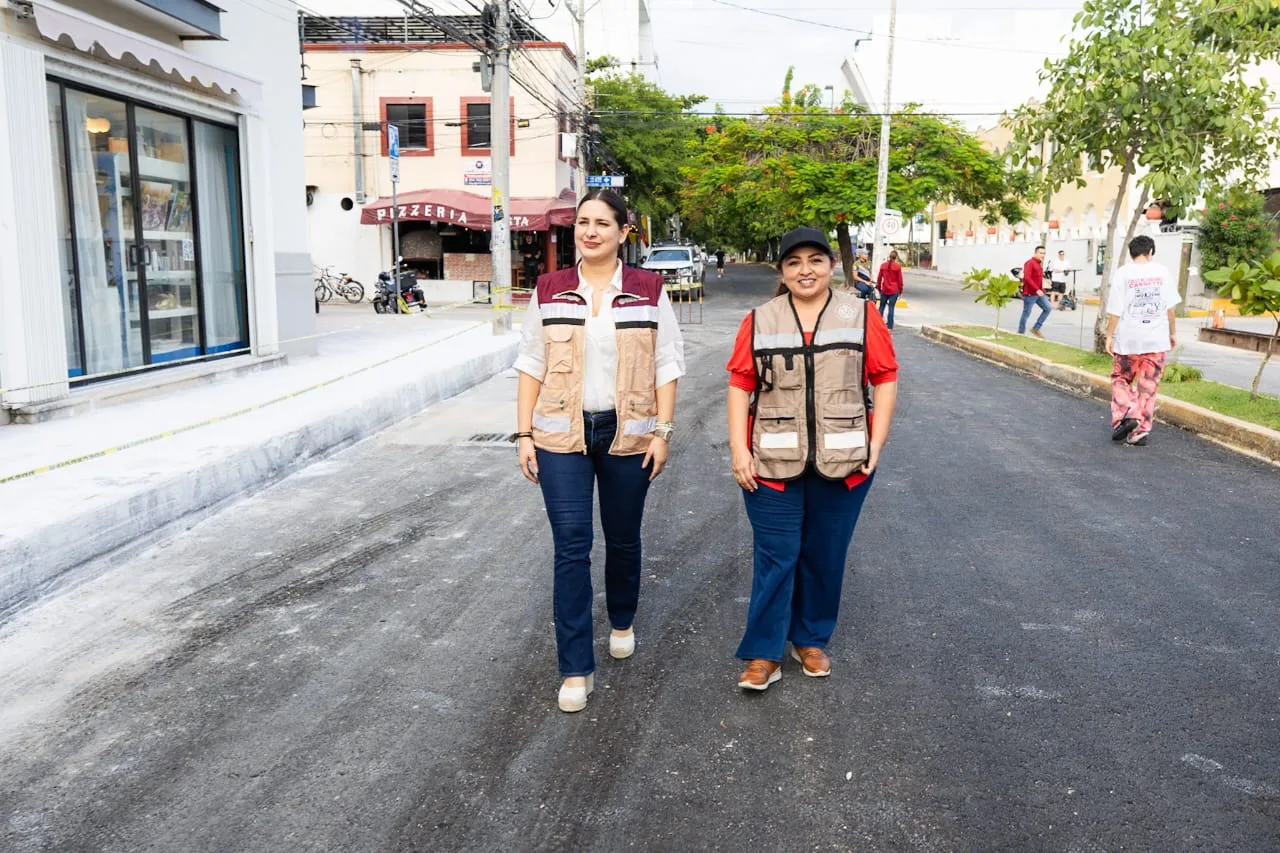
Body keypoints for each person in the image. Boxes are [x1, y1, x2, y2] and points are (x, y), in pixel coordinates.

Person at [514, 189, 686, 712]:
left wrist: (663, 432)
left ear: (622, 232)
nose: (590, 232)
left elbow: (667, 364)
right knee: (570, 545)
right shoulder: (549, 289)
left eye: (602, 224)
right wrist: (523, 433)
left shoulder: (648, 289)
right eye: (582, 222)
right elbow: (530, 362)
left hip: (627, 436)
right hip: (560, 436)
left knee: (623, 538)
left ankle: (623, 617)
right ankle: (574, 669)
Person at [726, 227, 899, 692]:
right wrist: (739, 450)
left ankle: (810, 639)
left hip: (844, 463)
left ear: (831, 266)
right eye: (795, 262)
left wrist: (876, 443)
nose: (806, 270)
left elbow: (884, 377)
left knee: (824, 556)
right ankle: (764, 653)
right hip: (771, 463)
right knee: (776, 557)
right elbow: (740, 384)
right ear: (782, 271)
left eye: (815, 260)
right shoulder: (760, 319)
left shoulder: (860, 315)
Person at [1105, 235, 1179, 447]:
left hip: (1129, 341)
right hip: (1156, 340)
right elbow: (1170, 309)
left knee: (1121, 379)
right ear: (1151, 252)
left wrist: (1109, 335)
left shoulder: (1123, 273)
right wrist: (1172, 333)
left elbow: (1115, 311)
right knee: (1148, 386)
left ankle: (1128, 411)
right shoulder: (1163, 272)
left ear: (1131, 253)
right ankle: (1140, 431)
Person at [1018, 245, 1051, 338]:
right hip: (1030, 294)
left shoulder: (1038, 264)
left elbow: (1038, 279)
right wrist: (1036, 289)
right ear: (1035, 253)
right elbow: (1027, 278)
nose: (1043, 255)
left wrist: (1042, 289)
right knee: (1026, 314)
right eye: (1041, 253)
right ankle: (1020, 333)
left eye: (1044, 253)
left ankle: (1036, 328)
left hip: (1039, 293)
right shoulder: (1030, 263)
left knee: (1048, 308)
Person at [875, 249, 904, 329]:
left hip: (885, 289)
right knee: (891, 308)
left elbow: (879, 278)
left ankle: (878, 324)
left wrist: (879, 288)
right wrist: (901, 291)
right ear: (896, 257)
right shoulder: (897, 267)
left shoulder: (883, 265)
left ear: (889, 256)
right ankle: (890, 325)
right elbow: (900, 280)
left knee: (881, 307)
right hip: (894, 290)